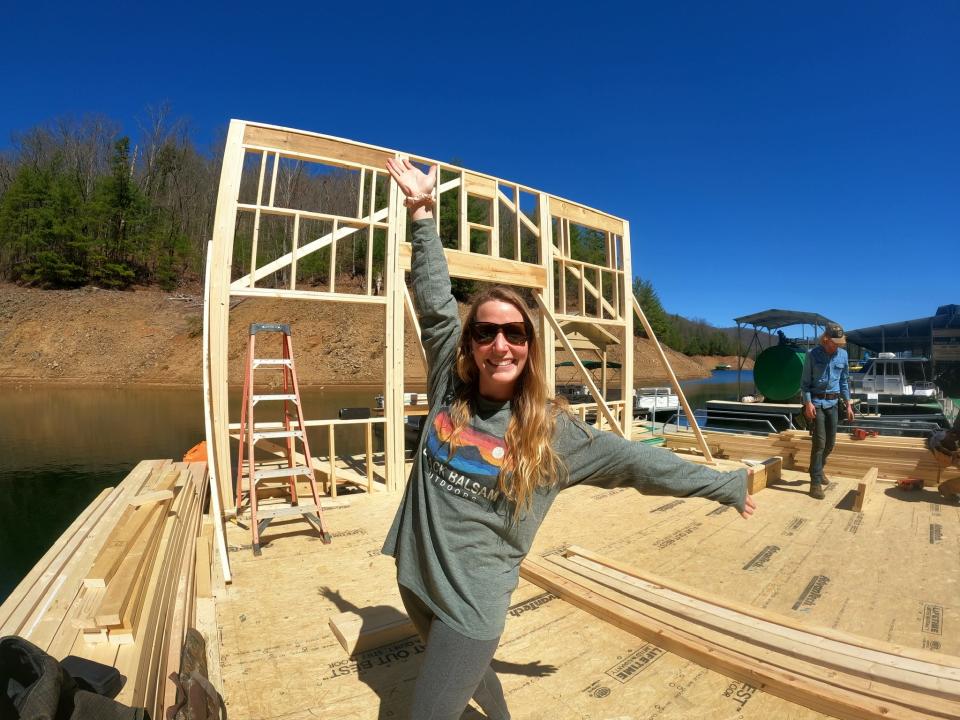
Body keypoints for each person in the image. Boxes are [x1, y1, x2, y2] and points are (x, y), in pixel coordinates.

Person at [380, 157, 756, 720]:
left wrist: (723, 486)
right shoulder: (447, 388)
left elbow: (638, 464)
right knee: (470, 682)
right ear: (471, 344)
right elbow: (435, 305)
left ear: (530, 346)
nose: (499, 345)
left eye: (514, 333)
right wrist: (423, 212)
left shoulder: (554, 434)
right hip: (414, 577)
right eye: (486, 332)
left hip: (470, 607)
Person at [801, 323, 855, 499]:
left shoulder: (843, 355)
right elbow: (805, 385)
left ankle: (817, 468)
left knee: (830, 444)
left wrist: (848, 404)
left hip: (833, 404)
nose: (837, 345)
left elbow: (844, 382)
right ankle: (815, 482)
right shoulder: (812, 355)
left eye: (840, 342)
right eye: (834, 341)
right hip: (816, 402)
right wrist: (808, 403)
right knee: (819, 443)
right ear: (826, 338)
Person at [928, 413, 960, 501]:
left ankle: (947, 488)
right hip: (946, 450)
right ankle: (947, 488)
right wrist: (950, 452)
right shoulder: (949, 437)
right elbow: (940, 442)